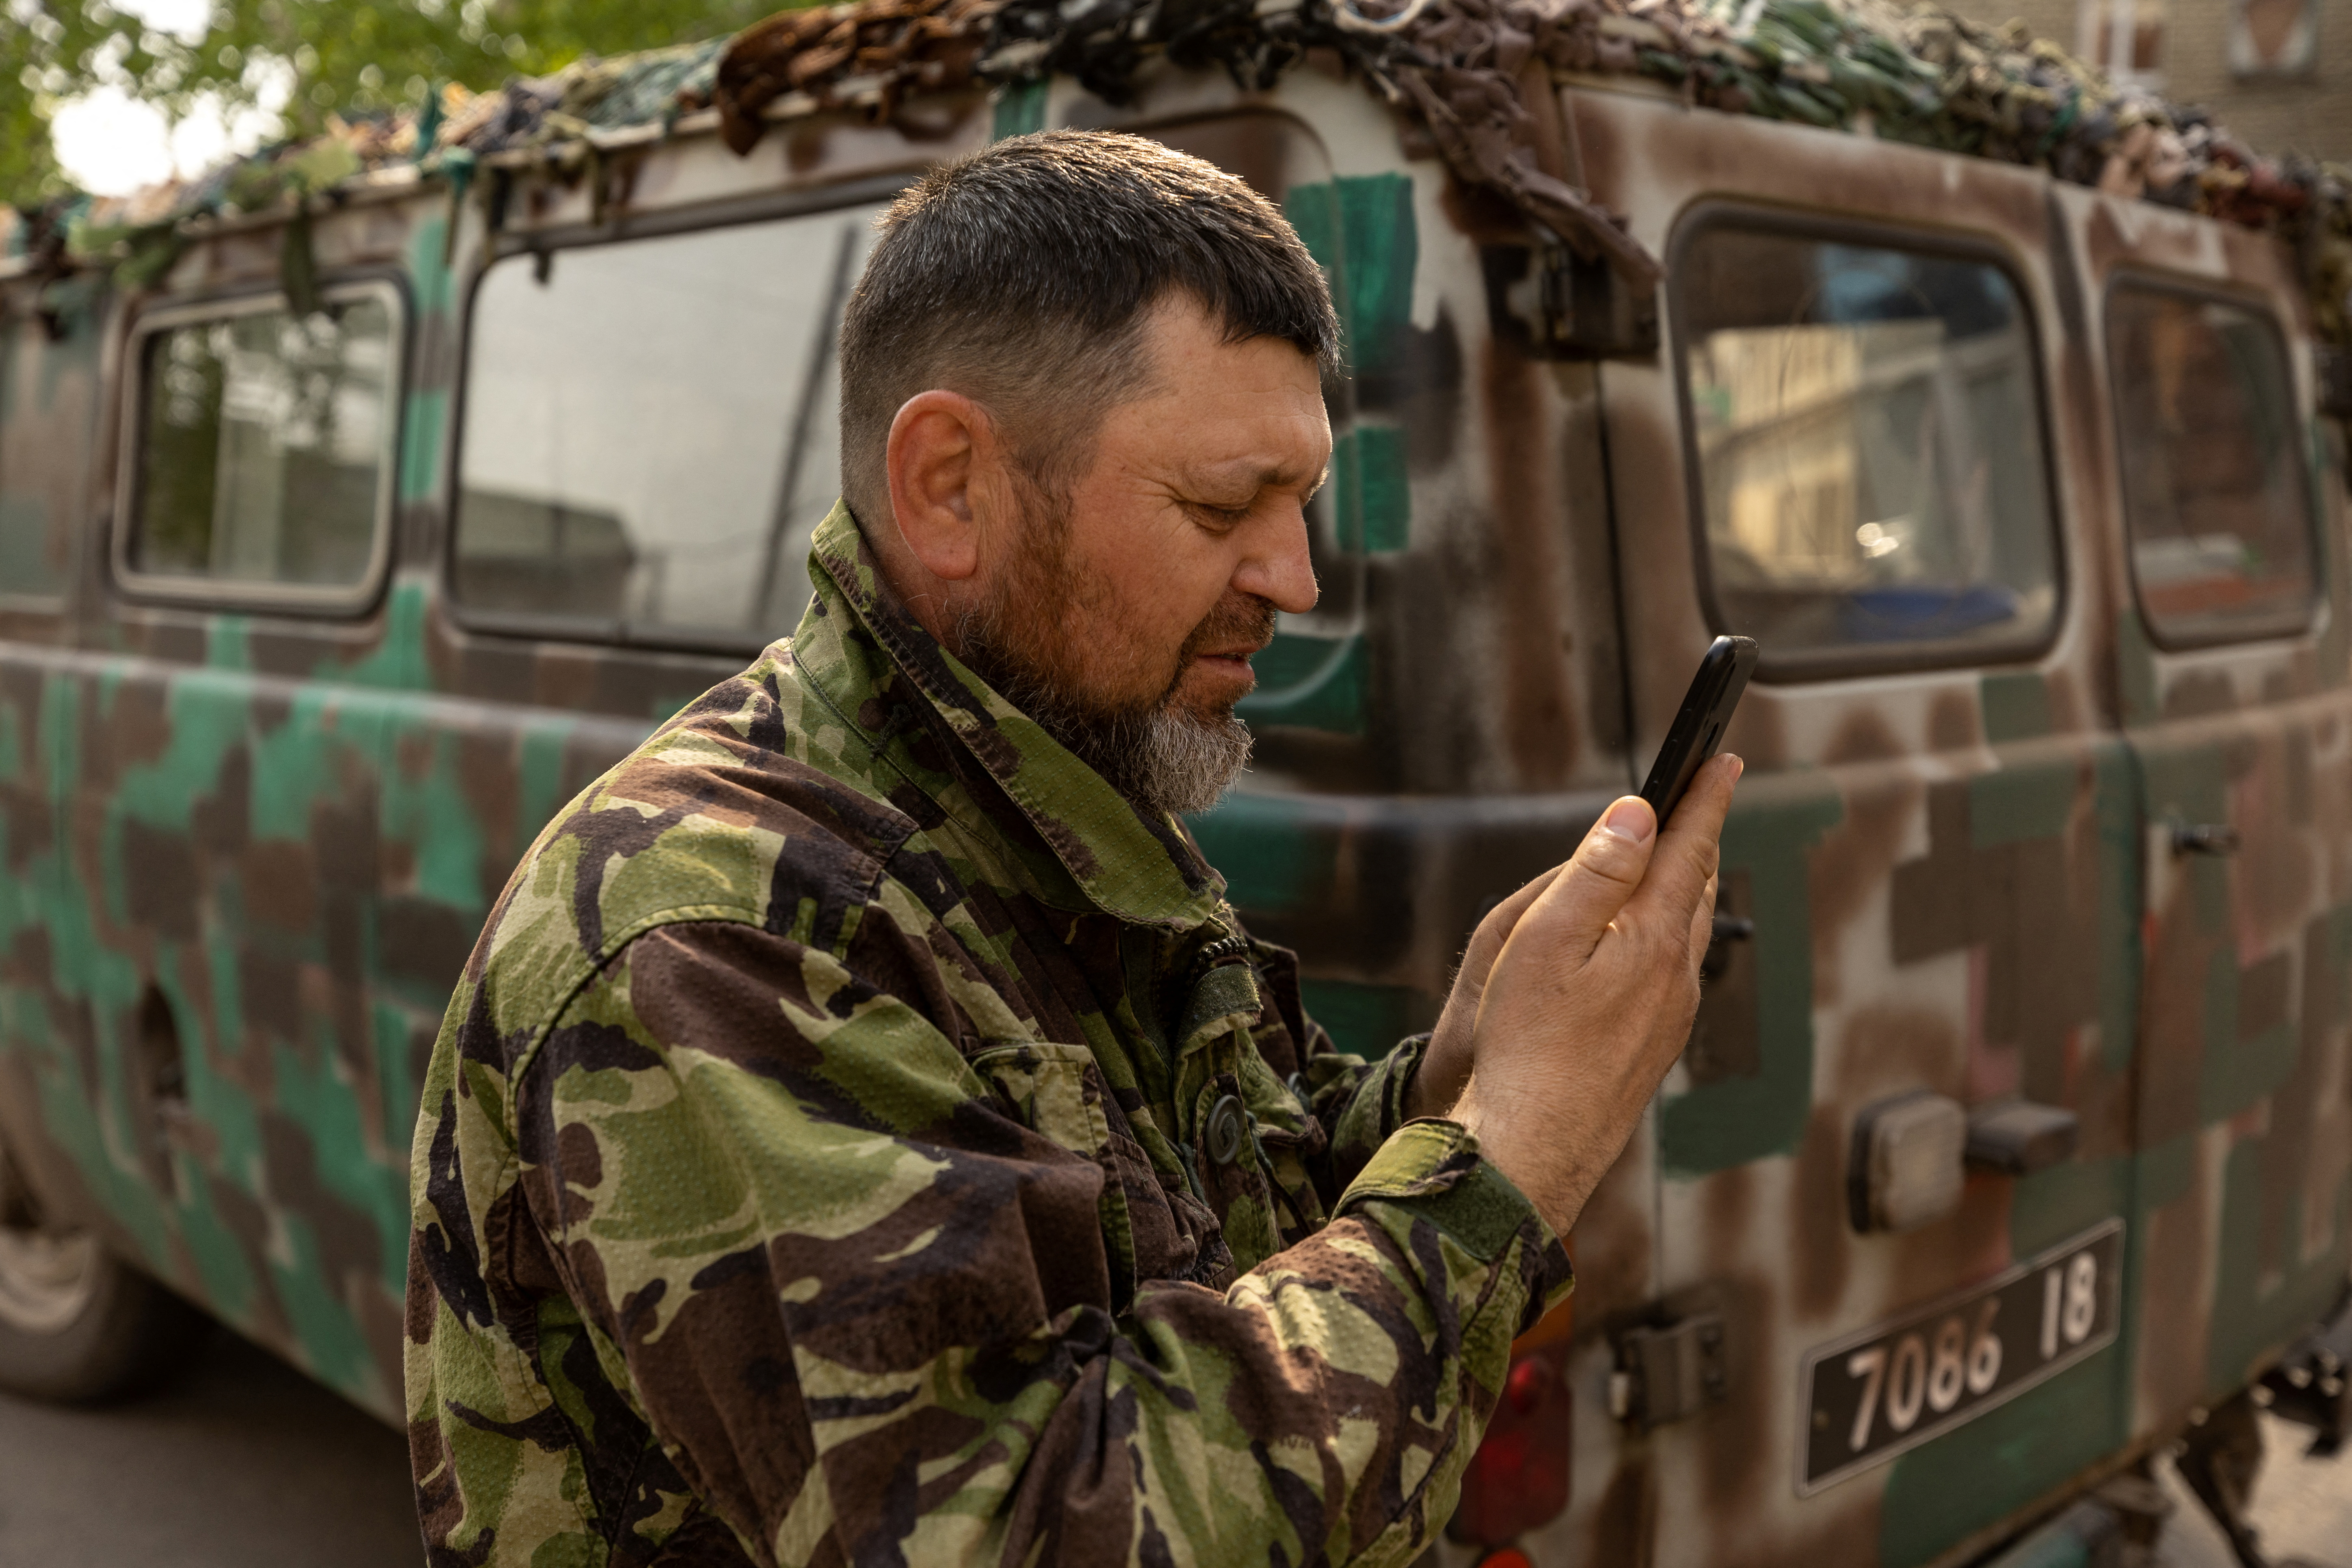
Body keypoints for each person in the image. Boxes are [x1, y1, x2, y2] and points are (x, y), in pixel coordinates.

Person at [404, 128, 1736, 1568]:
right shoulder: (711, 934)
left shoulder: (1050, 792)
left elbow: (1209, 1245)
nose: (1292, 579)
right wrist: (1513, 1148)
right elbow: (1031, 1525)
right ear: (951, 486)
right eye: (1222, 507)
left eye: (1303, 505)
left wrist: (1458, 1075)